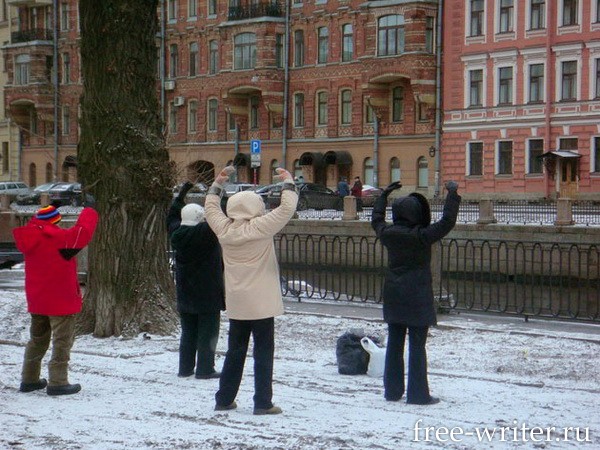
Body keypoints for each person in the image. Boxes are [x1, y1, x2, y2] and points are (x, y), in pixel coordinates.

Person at [205, 165, 298, 415]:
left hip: (238, 300)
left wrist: (217, 185)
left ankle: (224, 398)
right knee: (264, 352)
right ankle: (262, 401)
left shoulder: (224, 230)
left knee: (235, 350)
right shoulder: (261, 227)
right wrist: (288, 182)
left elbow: (211, 209)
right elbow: (287, 209)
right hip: (262, 301)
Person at [371, 180, 461, 405]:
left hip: (394, 294)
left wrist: (383, 195)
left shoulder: (388, 234)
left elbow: (377, 219)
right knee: (417, 346)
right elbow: (447, 221)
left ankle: (392, 392)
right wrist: (451, 194)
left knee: (394, 343)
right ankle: (418, 394)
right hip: (418, 296)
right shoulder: (422, 236)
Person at [13, 203, 98, 396]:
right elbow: (82, 233)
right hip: (61, 300)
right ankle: (58, 381)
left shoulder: (30, 238)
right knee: (62, 341)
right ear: (55, 221)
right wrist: (90, 210)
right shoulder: (59, 238)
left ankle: (29, 379)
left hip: (37, 300)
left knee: (37, 340)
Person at [167, 182, 225, 379]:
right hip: (208, 292)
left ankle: (185, 368)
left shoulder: (176, 233)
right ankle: (205, 368)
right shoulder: (207, 234)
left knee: (188, 332)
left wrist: (181, 195)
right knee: (208, 333)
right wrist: (217, 191)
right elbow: (219, 215)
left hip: (185, 291)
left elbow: (172, 217)